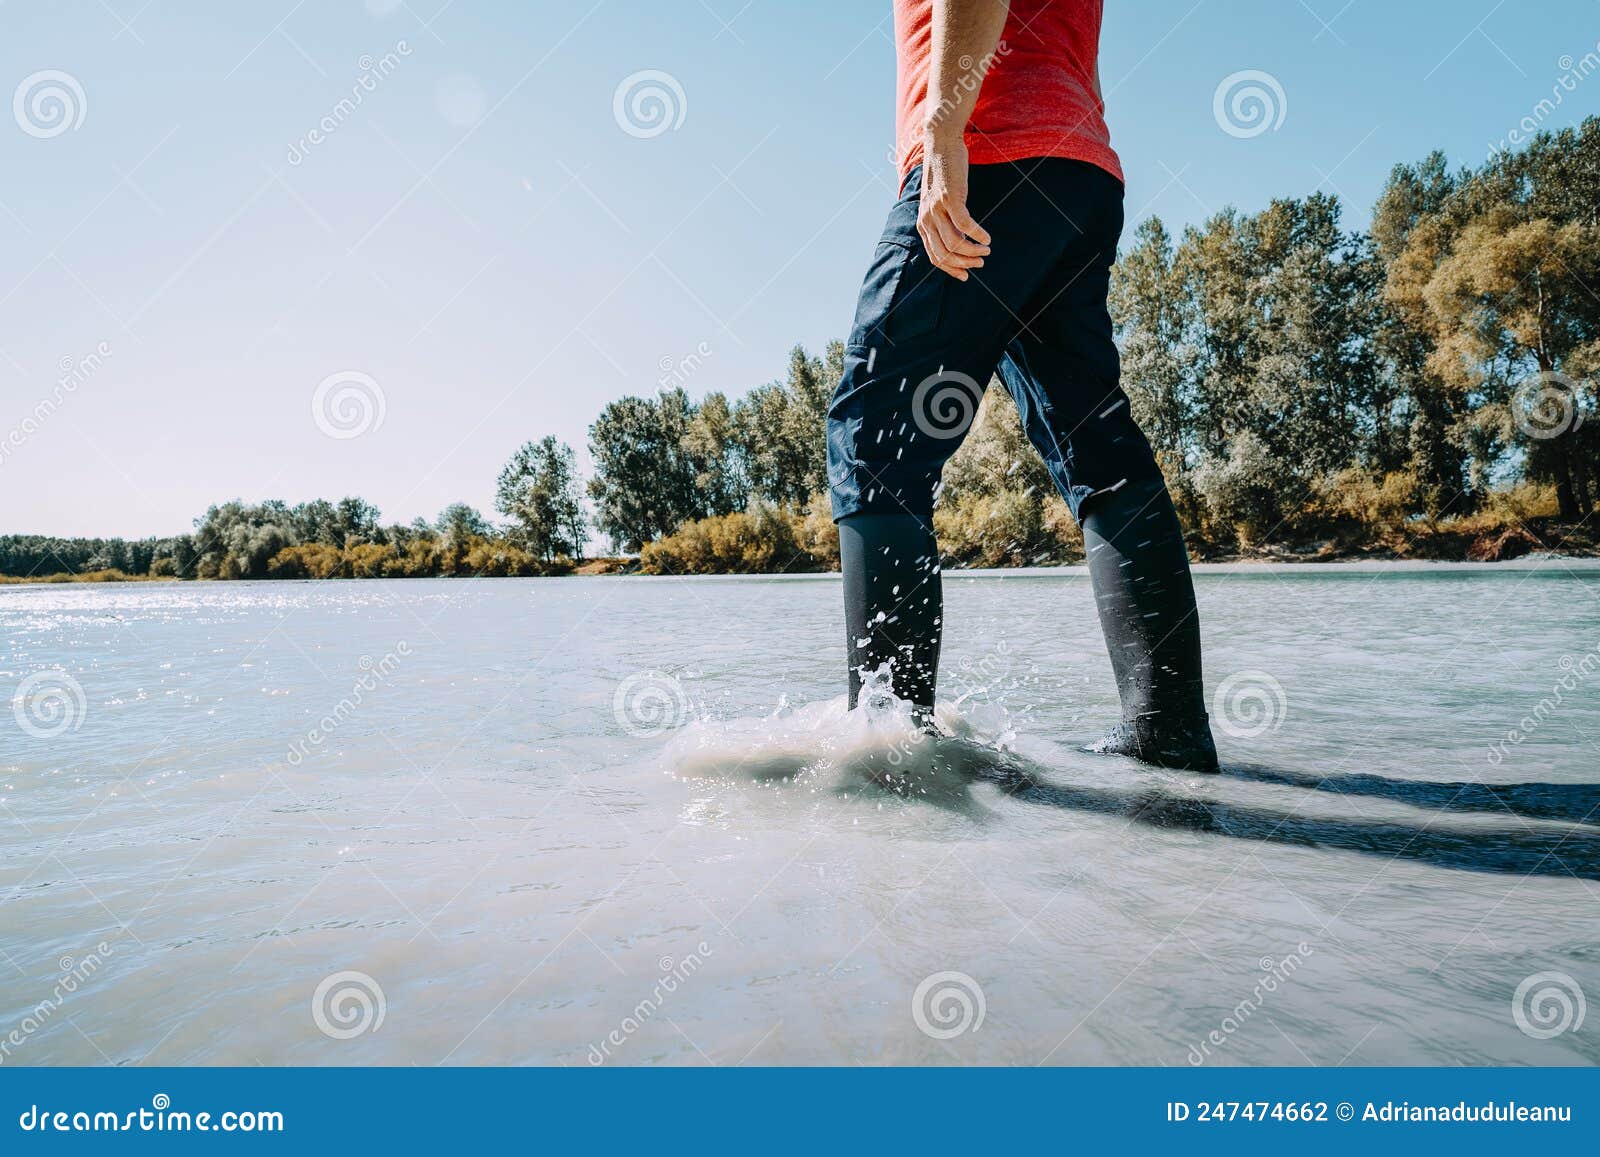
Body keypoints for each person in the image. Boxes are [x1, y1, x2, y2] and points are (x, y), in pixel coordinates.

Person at [826, 0, 1218, 771]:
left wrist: (941, 133)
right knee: (1099, 450)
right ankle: (1168, 729)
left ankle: (890, 754)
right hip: (1078, 170)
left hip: (991, 151)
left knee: (876, 437)